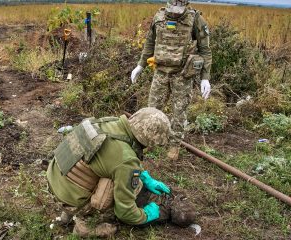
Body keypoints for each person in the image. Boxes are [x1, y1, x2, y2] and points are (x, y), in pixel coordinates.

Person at [46, 107, 195, 238]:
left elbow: (108, 159)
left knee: (122, 176)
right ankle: (85, 226)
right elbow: (125, 211)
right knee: (130, 187)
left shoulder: (108, 123)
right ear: (148, 140)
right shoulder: (126, 160)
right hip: (69, 197)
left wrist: (144, 176)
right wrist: (146, 215)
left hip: (55, 178)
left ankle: (67, 212)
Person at [130, 0, 212, 161]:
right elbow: (150, 42)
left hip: (182, 74)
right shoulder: (159, 16)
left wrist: (205, 78)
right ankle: (145, 141)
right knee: (152, 109)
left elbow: (205, 49)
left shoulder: (195, 19)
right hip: (160, 72)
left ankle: (174, 145)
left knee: (179, 112)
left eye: (179, 3)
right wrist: (140, 65)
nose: (176, 7)